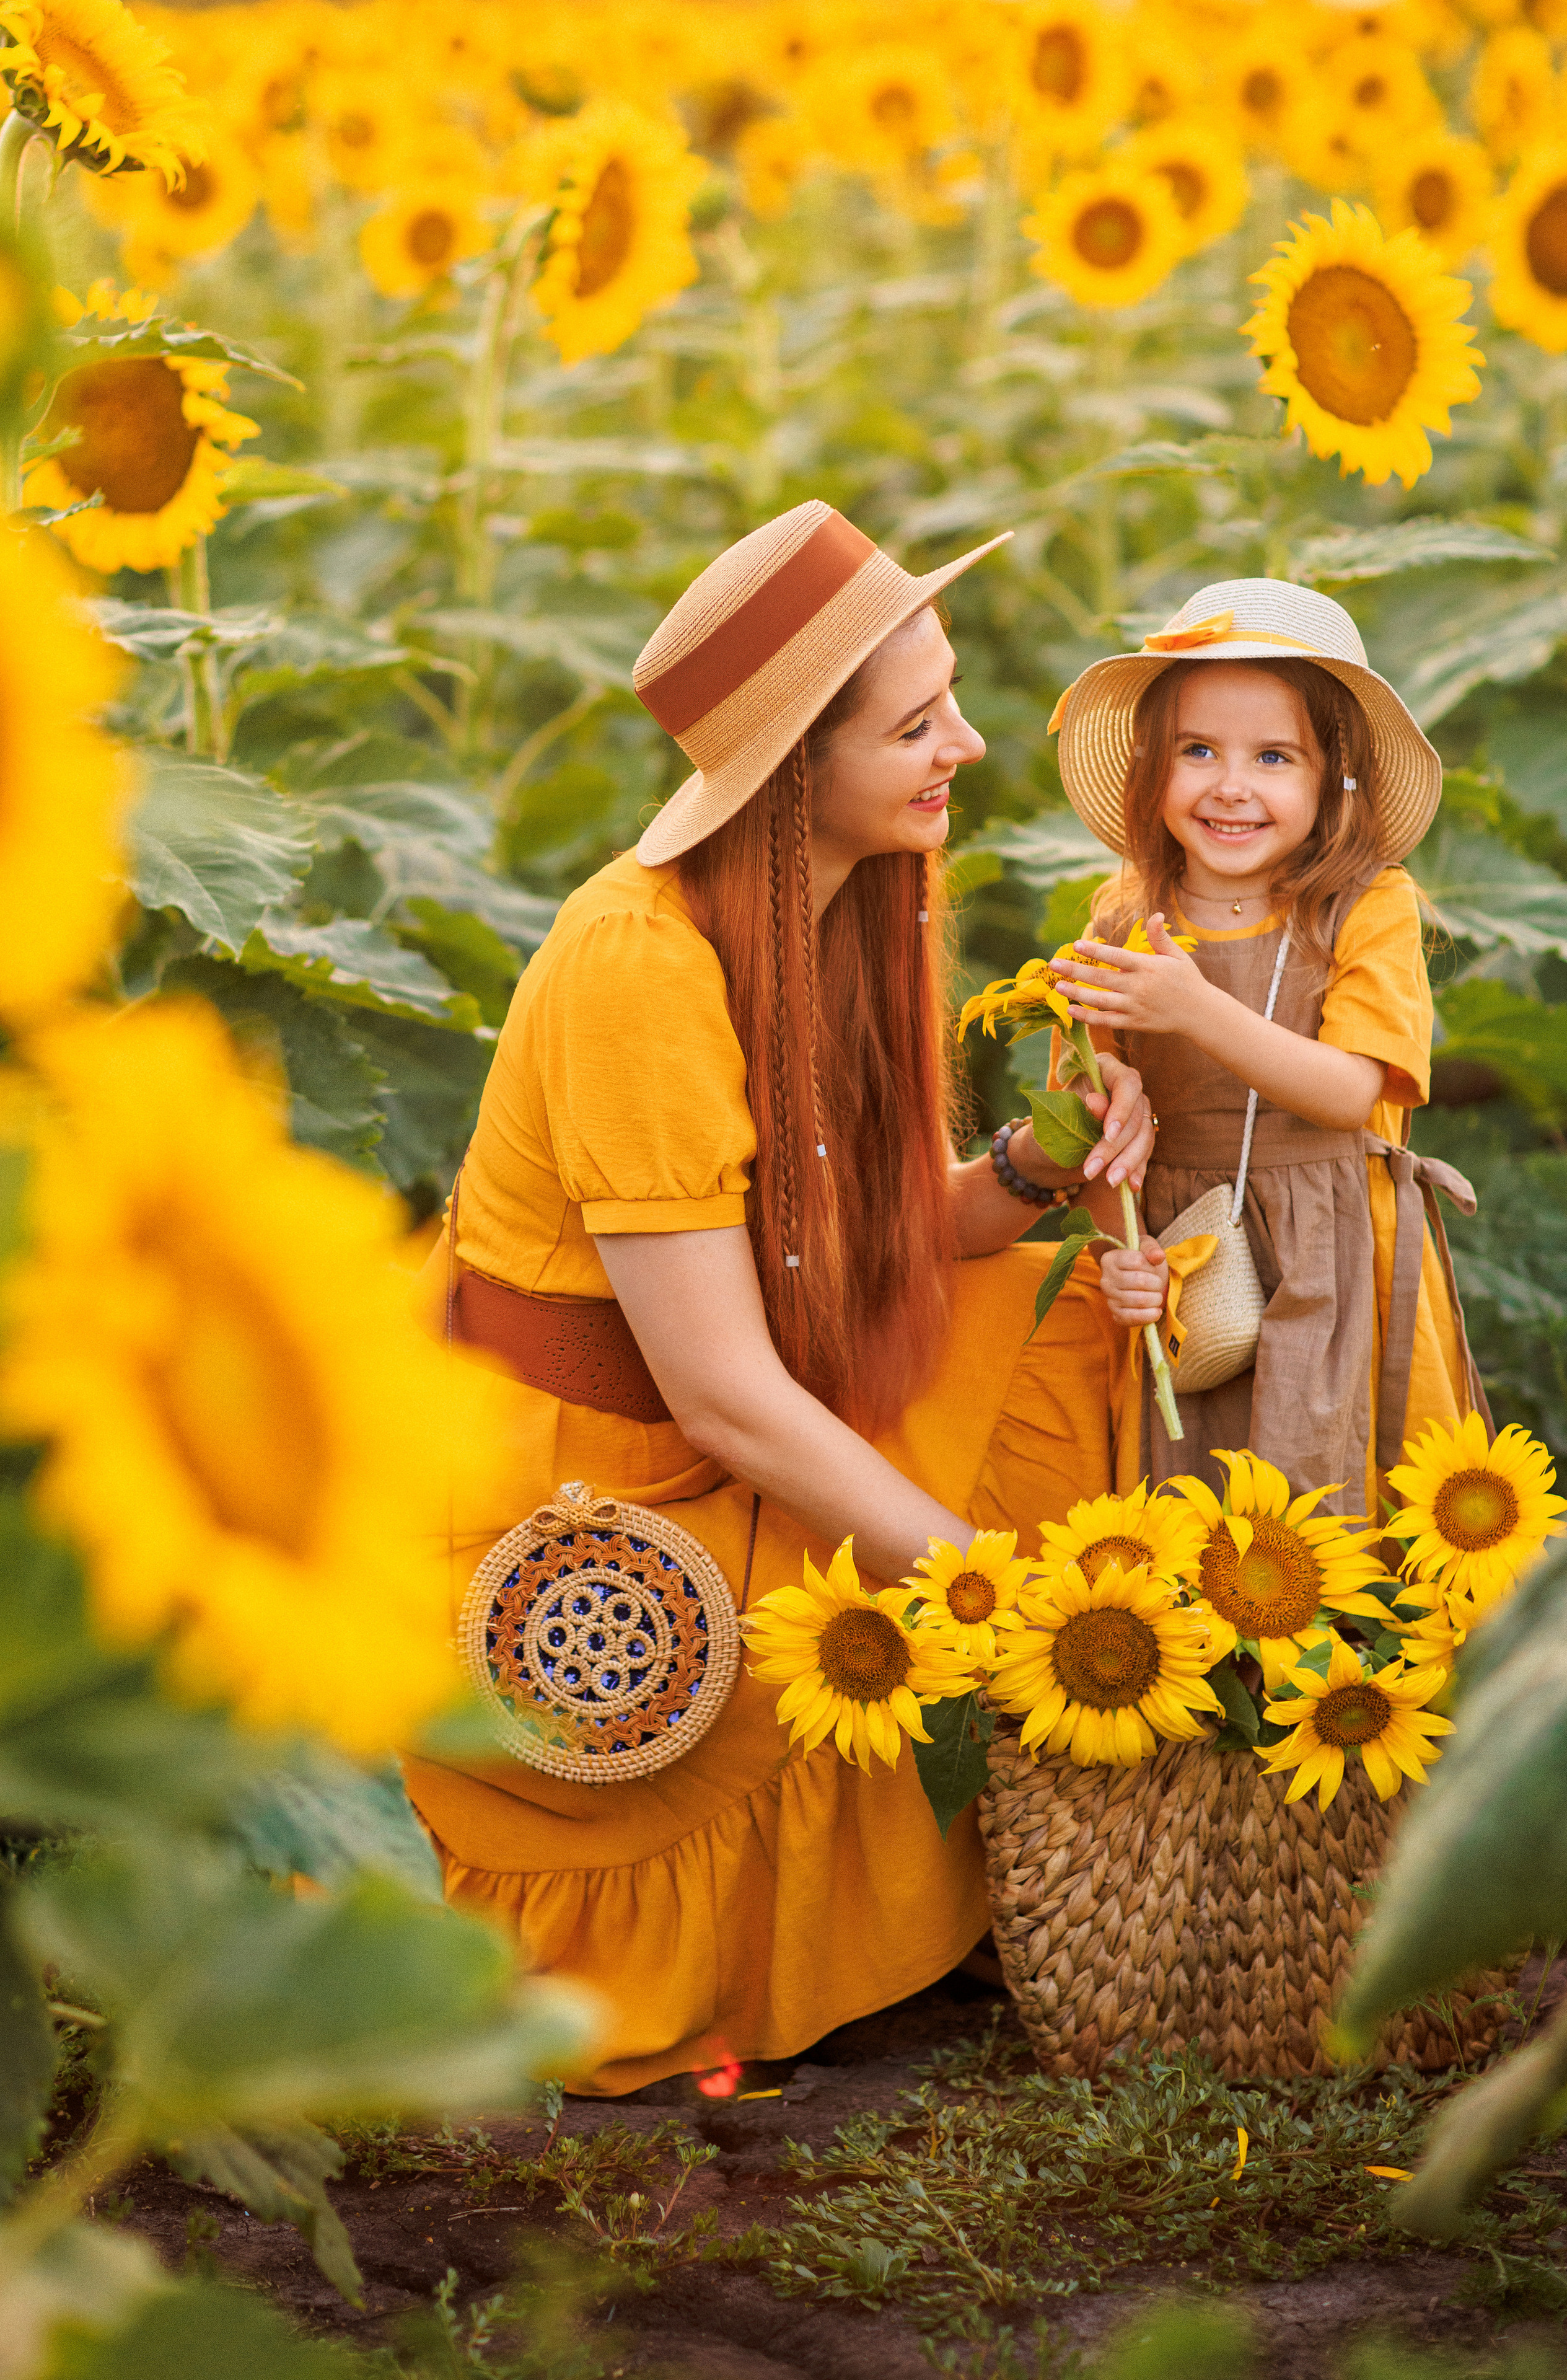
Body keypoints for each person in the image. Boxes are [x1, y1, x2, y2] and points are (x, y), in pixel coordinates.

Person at [405, 500, 1150, 2094]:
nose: (962, 741)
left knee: (1096, 1316)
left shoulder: (824, 911)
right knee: (904, 1582)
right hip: (592, 1496)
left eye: (946, 695)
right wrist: (989, 1594)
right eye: (913, 722)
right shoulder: (640, 971)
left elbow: (851, 1243)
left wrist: (1040, 1160)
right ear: (790, 767)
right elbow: (726, 1397)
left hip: (721, 1413)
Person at [1046, 576, 1489, 1517]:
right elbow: (1092, 1135)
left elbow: (1351, 1090)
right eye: (1196, 750)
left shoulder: (1364, 907)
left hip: (1337, 1253)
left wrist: (1195, 1007)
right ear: (1148, 771)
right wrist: (1116, 1242)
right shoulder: (1126, 917)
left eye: (1275, 756)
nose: (1231, 785)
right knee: (1187, 1513)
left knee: (1339, 1504)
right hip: (1183, 1258)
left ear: (1337, 779)